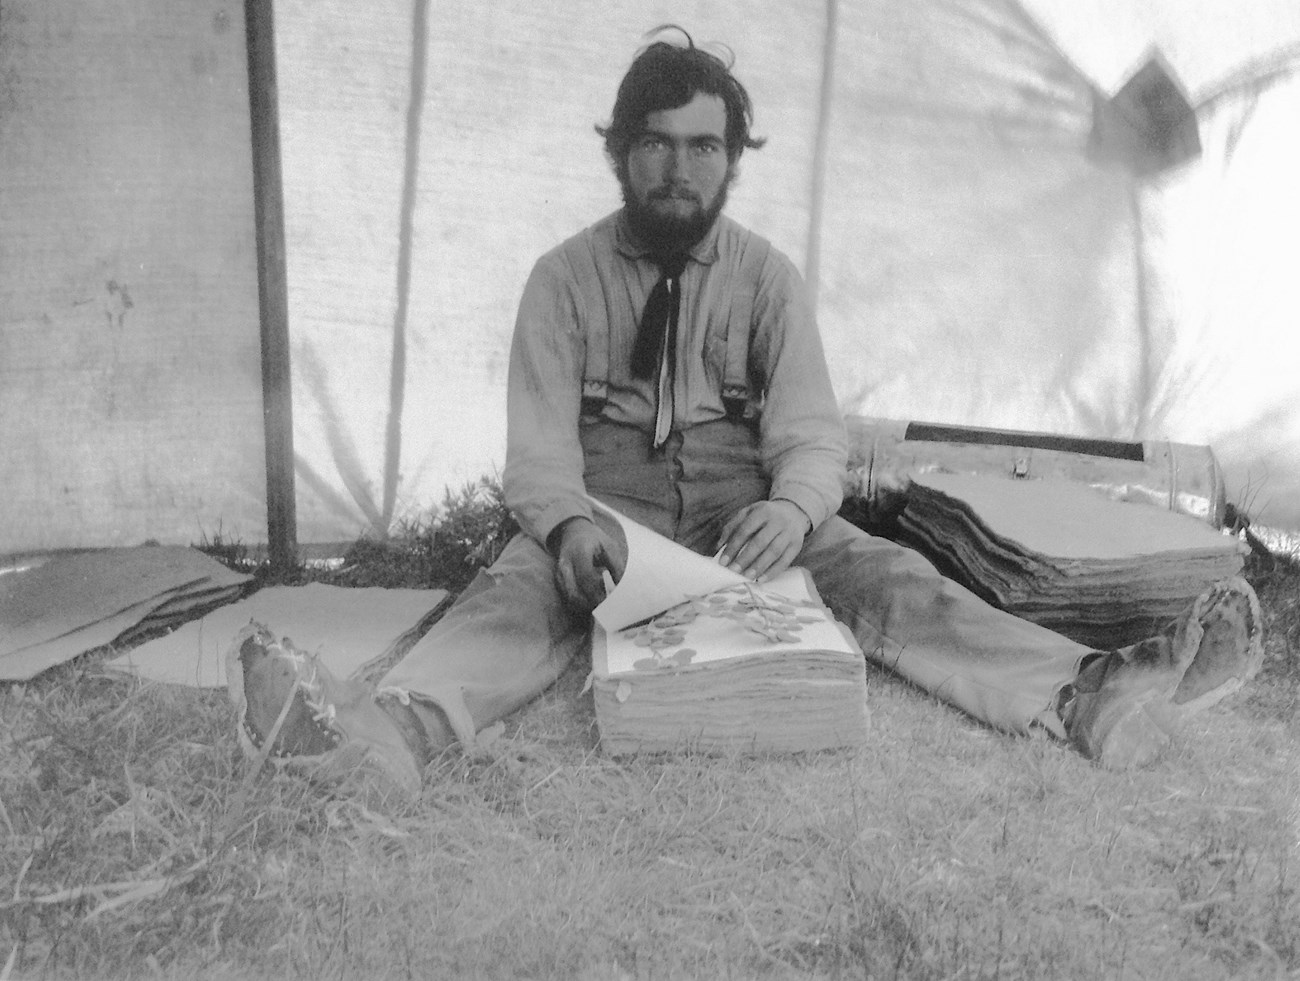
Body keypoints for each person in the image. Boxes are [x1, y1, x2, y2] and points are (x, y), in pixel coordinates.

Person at [230, 29, 1263, 796]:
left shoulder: (766, 278)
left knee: (888, 576)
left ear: (733, 157)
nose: (680, 172)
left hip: (747, 513)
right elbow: (538, 446)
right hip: (610, 515)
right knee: (514, 593)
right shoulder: (561, 280)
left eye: (705, 148)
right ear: (617, 152)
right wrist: (571, 524)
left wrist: (795, 506)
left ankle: (1090, 694)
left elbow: (810, 428)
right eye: (657, 146)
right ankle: (386, 738)